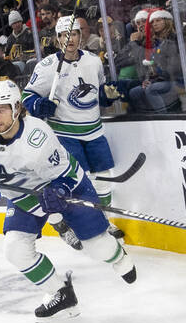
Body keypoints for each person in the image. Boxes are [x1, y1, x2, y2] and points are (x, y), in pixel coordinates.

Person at [0, 80, 136, 322]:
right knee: (15, 249)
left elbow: (65, 177)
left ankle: (118, 257)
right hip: (23, 195)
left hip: (68, 187)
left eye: (1, 109)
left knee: (97, 247)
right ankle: (61, 293)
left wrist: (59, 191)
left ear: (17, 108)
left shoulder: (37, 137)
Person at [22, 15, 126, 241]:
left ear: (81, 35)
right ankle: (84, 224)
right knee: (80, 181)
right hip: (65, 133)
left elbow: (96, 92)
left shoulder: (93, 61)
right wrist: (40, 105)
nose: (69, 39)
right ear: (57, 38)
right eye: (64, 35)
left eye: (74, 33)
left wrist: (107, 95)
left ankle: (105, 222)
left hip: (94, 130)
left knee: (103, 179)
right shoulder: (48, 66)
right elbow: (27, 95)